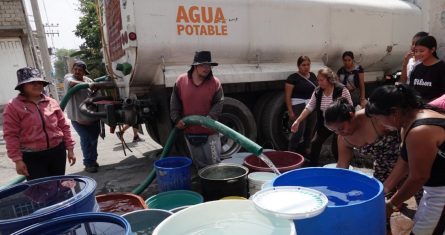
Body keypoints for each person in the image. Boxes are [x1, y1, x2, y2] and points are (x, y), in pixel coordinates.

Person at [365, 84, 445, 234]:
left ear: (394, 112)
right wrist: (385, 189)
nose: (379, 124)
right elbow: (404, 162)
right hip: (433, 189)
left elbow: (418, 178)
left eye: (378, 118)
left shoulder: (420, 131)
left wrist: (390, 206)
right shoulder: (408, 122)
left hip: (441, 193)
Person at [3, 67, 76, 180]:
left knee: (58, 184)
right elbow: (11, 135)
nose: (37, 85)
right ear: (22, 86)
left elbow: (64, 127)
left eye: (40, 82)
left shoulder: (51, 102)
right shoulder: (13, 106)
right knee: (40, 191)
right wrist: (17, 160)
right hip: (32, 157)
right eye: (32, 82)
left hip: (57, 152)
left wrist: (70, 149)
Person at [324, 97, 400, 189]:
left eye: (341, 128)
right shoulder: (343, 139)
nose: (340, 133)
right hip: (382, 169)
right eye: (334, 131)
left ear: (351, 116)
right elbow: (342, 167)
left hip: (408, 159)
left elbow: (407, 134)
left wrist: (389, 185)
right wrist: (335, 189)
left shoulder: (374, 117)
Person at [170, 51, 224, 170]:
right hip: (191, 133)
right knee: (200, 167)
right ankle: (204, 187)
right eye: (203, 65)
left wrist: (210, 118)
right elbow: (175, 103)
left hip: (210, 134)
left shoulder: (215, 83)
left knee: (215, 165)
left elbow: (219, 102)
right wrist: (177, 119)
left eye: (209, 65)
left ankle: (217, 188)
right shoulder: (181, 81)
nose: (207, 68)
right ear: (195, 66)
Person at [291, 67, 352, 166]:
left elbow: (350, 107)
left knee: (336, 148)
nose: (319, 82)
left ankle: (343, 168)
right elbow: (309, 106)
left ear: (329, 79)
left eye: (321, 80)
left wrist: (347, 126)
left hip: (340, 124)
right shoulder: (318, 91)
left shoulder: (341, 90)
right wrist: (298, 121)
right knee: (315, 143)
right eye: (318, 80)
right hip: (326, 123)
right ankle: (313, 166)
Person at [64, 60, 101, 173]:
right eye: (75, 69)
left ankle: (93, 160)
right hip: (77, 118)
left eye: (80, 70)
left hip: (92, 117)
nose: (77, 72)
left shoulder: (88, 80)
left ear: (84, 72)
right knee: (86, 139)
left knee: (93, 140)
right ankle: (88, 163)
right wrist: (88, 85)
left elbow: (97, 93)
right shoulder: (68, 78)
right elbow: (71, 83)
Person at [284, 56, 317, 154]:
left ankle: (306, 150)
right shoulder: (292, 78)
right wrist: (290, 111)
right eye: (303, 65)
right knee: (298, 130)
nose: (306, 67)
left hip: (311, 106)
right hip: (298, 106)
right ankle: (291, 152)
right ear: (298, 66)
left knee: (310, 130)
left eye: (308, 65)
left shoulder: (313, 76)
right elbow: (287, 96)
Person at [409, 35, 445, 101]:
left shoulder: (441, 68)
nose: (418, 54)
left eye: (421, 51)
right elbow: (411, 90)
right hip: (418, 107)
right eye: (416, 51)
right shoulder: (417, 68)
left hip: (435, 108)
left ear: (432, 50)